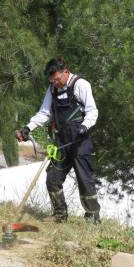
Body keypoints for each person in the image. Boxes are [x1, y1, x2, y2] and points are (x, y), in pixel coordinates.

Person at [15, 58, 101, 223]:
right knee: (52, 178)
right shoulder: (52, 89)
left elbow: (92, 111)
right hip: (61, 142)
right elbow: (44, 113)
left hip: (80, 142)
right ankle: (60, 215)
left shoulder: (80, 84)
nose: (55, 83)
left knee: (85, 181)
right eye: (52, 80)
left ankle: (93, 218)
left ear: (65, 71)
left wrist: (84, 127)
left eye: (57, 79)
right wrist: (28, 128)